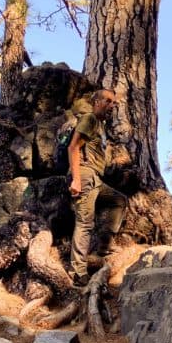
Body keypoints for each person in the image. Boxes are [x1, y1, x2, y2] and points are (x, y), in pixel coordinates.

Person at [67, 88, 127, 287]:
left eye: (113, 103)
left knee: (118, 200)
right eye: (108, 101)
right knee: (85, 222)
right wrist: (76, 179)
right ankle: (77, 272)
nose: (111, 106)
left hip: (97, 179)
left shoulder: (100, 126)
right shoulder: (90, 119)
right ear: (97, 101)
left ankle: (103, 247)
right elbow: (73, 147)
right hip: (84, 175)